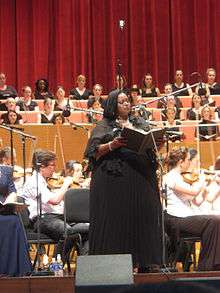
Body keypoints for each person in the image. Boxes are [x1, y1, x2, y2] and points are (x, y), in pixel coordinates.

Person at [84, 90, 162, 271]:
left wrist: (156, 143)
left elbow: (148, 143)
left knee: (143, 216)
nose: (127, 104)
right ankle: (112, 267)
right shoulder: (104, 126)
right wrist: (112, 144)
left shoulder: (140, 122)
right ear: (113, 105)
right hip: (114, 181)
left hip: (141, 178)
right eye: (121, 102)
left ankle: (146, 262)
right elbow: (93, 152)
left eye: (127, 101)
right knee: (116, 221)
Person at [164, 147, 220, 271]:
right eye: (188, 160)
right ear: (181, 162)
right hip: (176, 219)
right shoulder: (170, 177)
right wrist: (201, 180)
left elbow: (197, 201)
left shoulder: (180, 177)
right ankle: (207, 266)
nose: (189, 163)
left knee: (216, 221)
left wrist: (205, 187)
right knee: (214, 221)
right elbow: (193, 191)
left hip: (185, 217)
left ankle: (210, 264)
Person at [21, 150, 82, 258]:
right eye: (52, 165)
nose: (54, 168)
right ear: (42, 166)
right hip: (42, 219)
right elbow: (54, 200)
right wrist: (65, 185)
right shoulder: (33, 182)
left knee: (86, 230)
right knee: (68, 232)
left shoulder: (44, 182)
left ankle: (84, 267)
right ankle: (55, 266)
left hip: (56, 217)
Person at [0, 151, 32, 276]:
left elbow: (12, 189)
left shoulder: (6, 171)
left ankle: (15, 271)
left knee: (14, 221)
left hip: (3, 210)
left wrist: (12, 199)